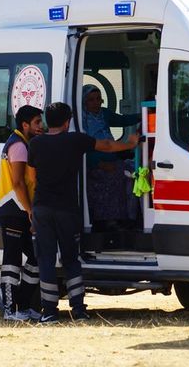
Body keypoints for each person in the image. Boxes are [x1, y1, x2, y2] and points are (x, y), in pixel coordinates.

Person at [28, 102, 138, 323]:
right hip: (67, 209)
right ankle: (78, 310)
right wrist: (130, 143)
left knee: (46, 259)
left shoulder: (36, 144)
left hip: (42, 208)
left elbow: (31, 179)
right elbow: (106, 145)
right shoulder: (75, 140)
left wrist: (32, 212)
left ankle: (49, 311)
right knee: (71, 259)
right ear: (67, 122)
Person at [0, 105, 44, 321]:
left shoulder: (21, 143)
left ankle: (22, 305)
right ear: (25, 125)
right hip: (13, 210)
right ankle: (10, 309)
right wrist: (30, 210)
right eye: (37, 122)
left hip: (18, 210)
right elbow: (17, 182)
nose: (41, 126)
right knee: (12, 261)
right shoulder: (19, 146)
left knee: (35, 258)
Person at [82, 84, 141, 231]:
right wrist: (99, 164)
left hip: (112, 158)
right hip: (95, 164)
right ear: (84, 102)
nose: (95, 103)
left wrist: (142, 115)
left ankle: (130, 218)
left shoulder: (104, 114)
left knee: (134, 174)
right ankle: (107, 221)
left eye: (98, 99)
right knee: (114, 178)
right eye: (91, 100)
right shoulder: (82, 120)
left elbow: (122, 121)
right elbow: (84, 149)